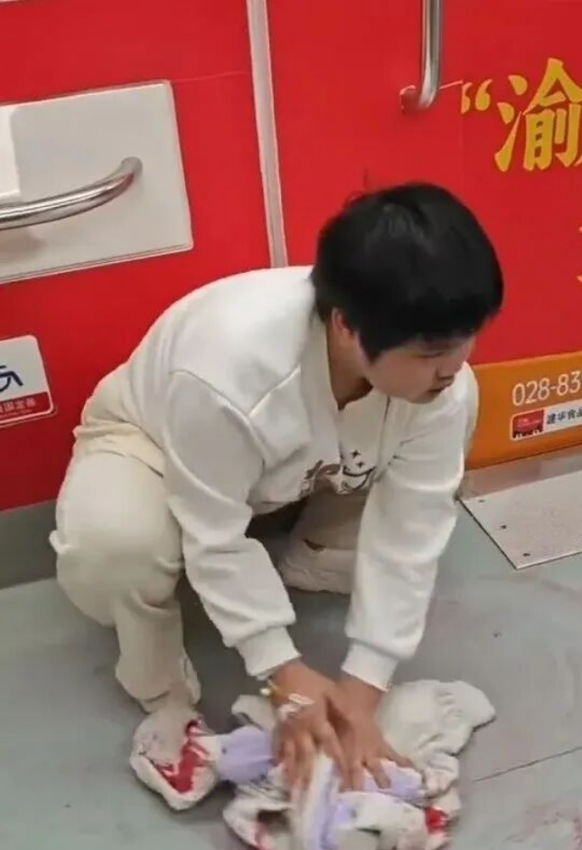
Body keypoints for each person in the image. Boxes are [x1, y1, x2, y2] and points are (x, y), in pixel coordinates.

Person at [51, 183, 504, 792]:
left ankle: (310, 552)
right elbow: (213, 531)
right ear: (346, 326)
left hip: (294, 468)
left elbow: (411, 531)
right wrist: (283, 674)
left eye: (466, 339)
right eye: (431, 353)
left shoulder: (441, 384)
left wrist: (363, 691)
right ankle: (160, 686)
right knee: (116, 550)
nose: (453, 366)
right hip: (153, 444)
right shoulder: (227, 373)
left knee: (424, 442)